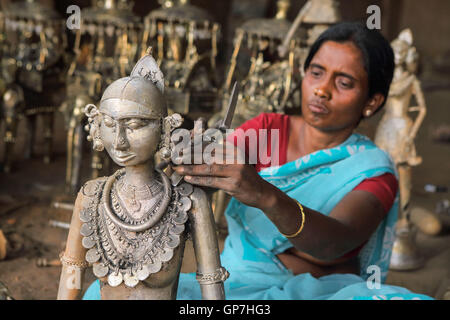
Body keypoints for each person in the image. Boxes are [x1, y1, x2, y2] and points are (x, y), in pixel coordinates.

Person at [173, 22, 432, 300]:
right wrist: (186, 159)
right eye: (316, 73)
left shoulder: (372, 170)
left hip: (329, 294)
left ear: (372, 102)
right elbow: (205, 171)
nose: (322, 90)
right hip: (236, 284)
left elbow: (334, 244)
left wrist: (264, 195)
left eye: (344, 83)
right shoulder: (269, 132)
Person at [57, 51, 227, 300]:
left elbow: (212, 286)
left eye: (135, 125)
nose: (120, 141)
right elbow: (71, 276)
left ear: (164, 129)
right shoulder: (90, 197)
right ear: (96, 126)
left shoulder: (189, 202)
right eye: (110, 124)